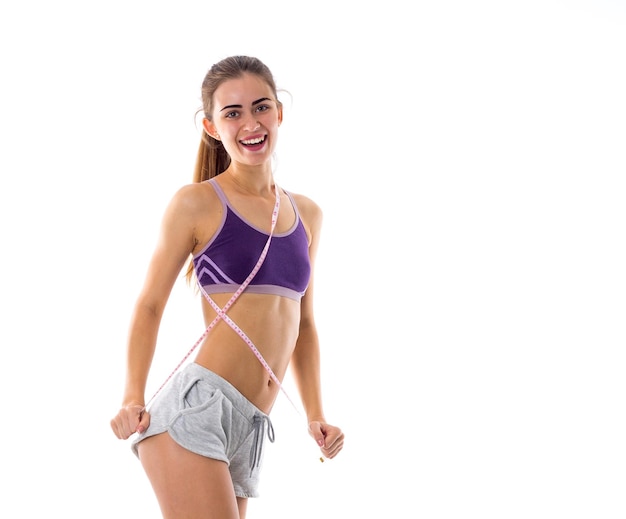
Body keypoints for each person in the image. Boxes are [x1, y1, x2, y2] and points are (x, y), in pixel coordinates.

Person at [109, 55, 344, 519]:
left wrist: (316, 413)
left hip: (250, 427)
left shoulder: (307, 214)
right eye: (232, 113)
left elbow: (305, 324)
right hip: (197, 412)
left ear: (279, 113)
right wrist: (132, 396)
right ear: (212, 127)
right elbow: (150, 304)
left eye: (260, 108)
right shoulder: (197, 203)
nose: (250, 123)